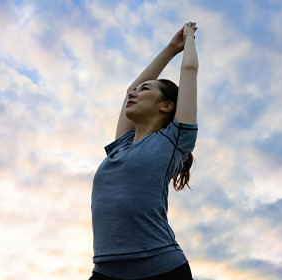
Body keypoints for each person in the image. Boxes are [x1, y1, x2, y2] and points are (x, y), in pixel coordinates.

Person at [89, 22, 199, 280]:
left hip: (162, 270)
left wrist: (188, 39)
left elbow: (190, 70)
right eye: (136, 90)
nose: (134, 93)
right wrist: (170, 48)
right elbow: (129, 90)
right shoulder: (121, 147)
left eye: (145, 89)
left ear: (166, 106)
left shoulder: (173, 141)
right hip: (106, 272)